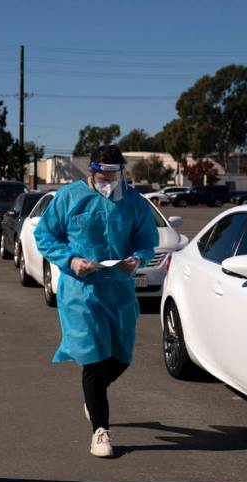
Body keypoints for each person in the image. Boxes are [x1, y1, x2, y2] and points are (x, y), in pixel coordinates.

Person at [34, 145, 159, 458]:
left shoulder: (132, 201)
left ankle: (93, 397)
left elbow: (147, 239)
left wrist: (138, 259)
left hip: (119, 289)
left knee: (121, 356)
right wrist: (71, 260)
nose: (108, 181)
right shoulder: (69, 198)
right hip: (81, 291)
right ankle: (100, 431)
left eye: (115, 175)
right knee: (94, 358)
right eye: (103, 175)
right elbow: (46, 236)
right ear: (90, 170)